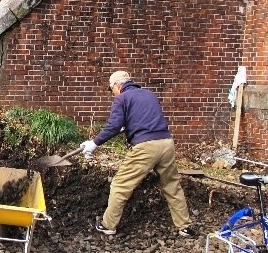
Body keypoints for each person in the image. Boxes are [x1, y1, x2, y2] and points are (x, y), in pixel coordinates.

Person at [80, 70, 197, 238]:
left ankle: (108, 225)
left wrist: (94, 143)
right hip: (166, 142)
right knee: (172, 186)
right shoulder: (149, 94)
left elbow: (113, 126)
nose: (112, 93)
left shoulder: (122, 98)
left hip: (146, 147)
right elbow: (145, 118)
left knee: (120, 185)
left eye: (111, 89)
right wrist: (127, 125)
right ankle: (184, 226)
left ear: (118, 85)